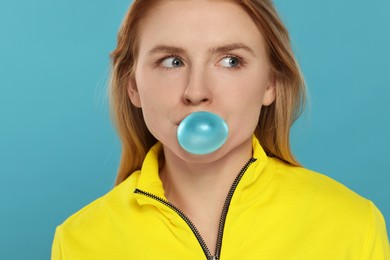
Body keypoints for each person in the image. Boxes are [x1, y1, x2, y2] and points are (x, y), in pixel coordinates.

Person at [51, 0, 390, 259]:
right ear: (133, 86)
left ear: (270, 83)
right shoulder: (80, 241)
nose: (197, 91)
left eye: (230, 60)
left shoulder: (352, 224)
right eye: (172, 61)